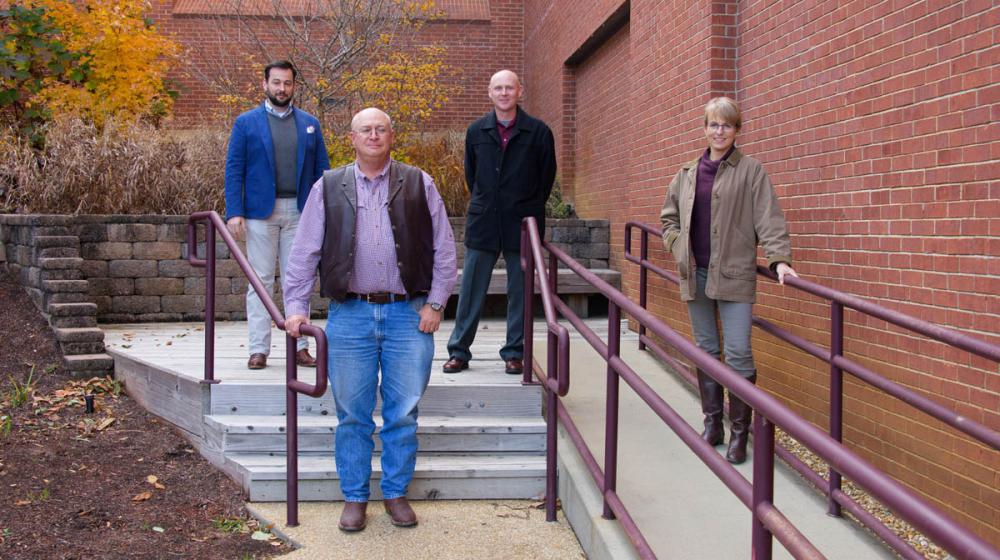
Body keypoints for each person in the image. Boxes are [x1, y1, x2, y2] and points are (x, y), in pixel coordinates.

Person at [283, 108, 457, 532]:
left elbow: (445, 249)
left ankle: (395, 493)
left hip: (408, 315)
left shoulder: (419, 182)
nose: (374, 135)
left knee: (403, 413)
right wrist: (296, 306)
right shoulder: (328, 186)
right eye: (366, 130)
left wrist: (435, 304)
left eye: (381, 129)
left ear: (391, 136)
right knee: (352, 415)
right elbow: (304, 251)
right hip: (350, 316)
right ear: (352, 138)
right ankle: (355, 497)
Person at [660, 97, 797, 464]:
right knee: (705, 350)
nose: (719, 131)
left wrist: (779, 260)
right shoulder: (687, 173)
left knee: (738, 353)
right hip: (696, 275)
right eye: (713, 124)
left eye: (727, 125)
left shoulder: (751, 171)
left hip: (735, 275)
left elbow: (769, 219)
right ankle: (713, 423)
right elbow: (668, 220)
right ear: (704, 128)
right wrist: (677, 248)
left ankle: (740, 434)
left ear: (737, 130)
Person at [443, 69, 557, 376]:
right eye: (498, 88)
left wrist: (525, 206)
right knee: (470, 289)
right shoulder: (476, 131)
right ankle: (459, 351)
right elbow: (472, 175)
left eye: (510, 88)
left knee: (520, 291)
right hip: (484, 221)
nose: (504, 93)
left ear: (521, 92)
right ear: (490, 93)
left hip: (522, 223)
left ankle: (514, 352)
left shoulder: (539, 132)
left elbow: (546, 180)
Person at [224, 60, 330, 370]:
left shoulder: (310, 123)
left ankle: (300, 346)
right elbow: (234, 168)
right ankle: (259, 349)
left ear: (294, 86)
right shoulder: (246, 123)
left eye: (287, 83)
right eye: (276, 83)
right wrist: (235, 211)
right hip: (259, 212)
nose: (281, 88)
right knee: (260, 281)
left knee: (299, 279)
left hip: (301, 211)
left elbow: (321, 169)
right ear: (265, 85)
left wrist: (323, 210)